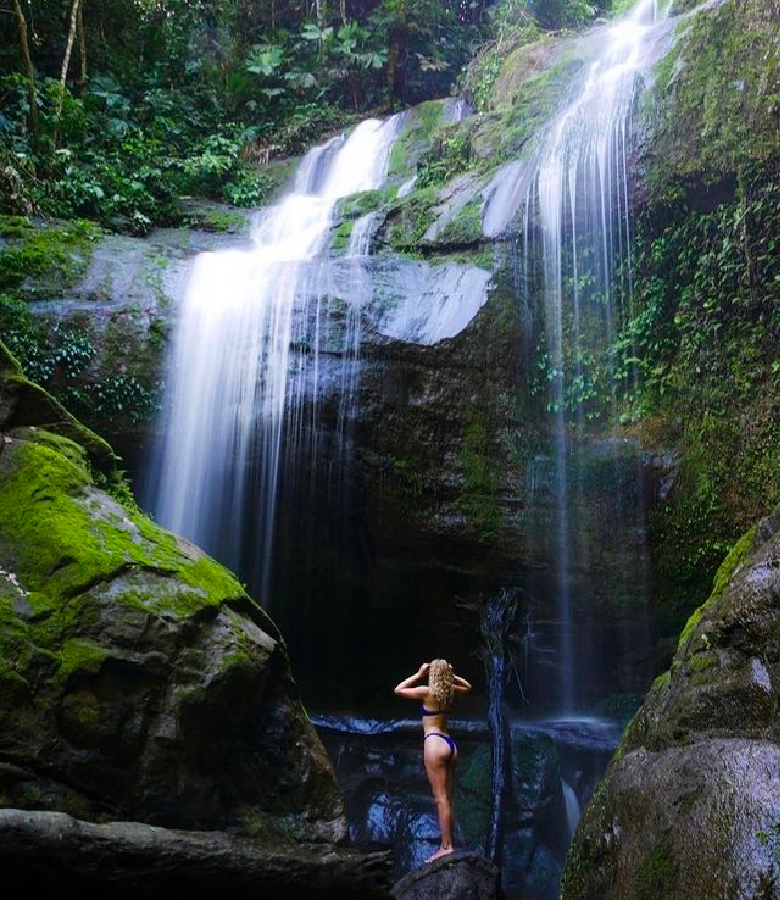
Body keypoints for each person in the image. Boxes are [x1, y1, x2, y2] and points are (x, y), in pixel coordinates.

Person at [394, 659, 472, 862]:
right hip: (450, 744)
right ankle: (448, 842)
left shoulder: (426, 692)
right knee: (448, 798)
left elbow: (399, 690)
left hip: (434, 743)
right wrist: (452, 676)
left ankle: (446, 846)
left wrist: (419, 674)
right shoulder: (450, 692)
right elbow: (468, 687)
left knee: (440, 798)